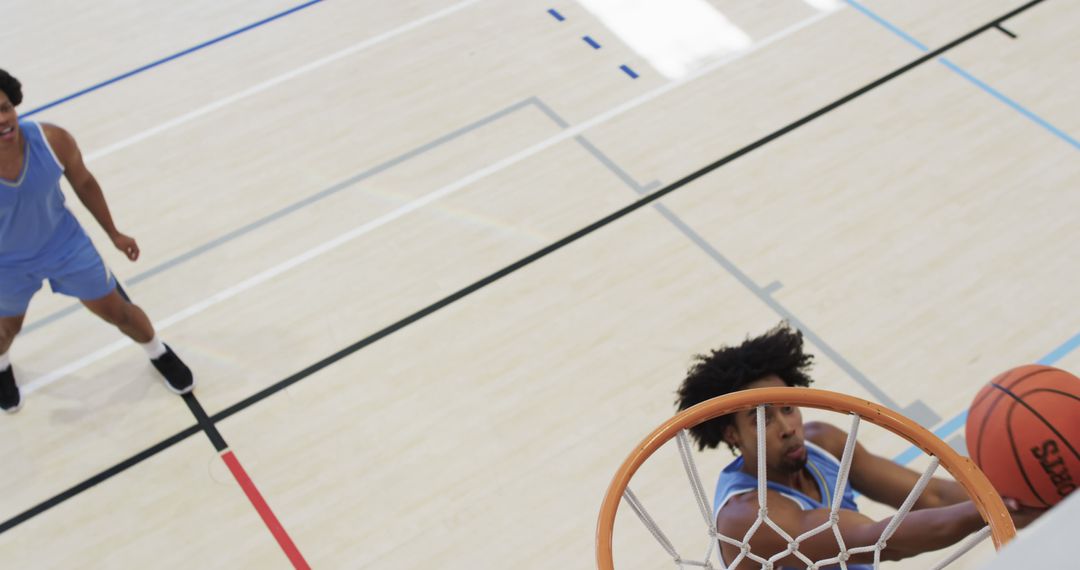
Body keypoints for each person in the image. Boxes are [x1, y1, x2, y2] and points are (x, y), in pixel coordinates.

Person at [675, 323, 1040, 568]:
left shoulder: (824, 443)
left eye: (788, 408)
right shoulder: (747, 518)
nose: (787, 427)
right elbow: (880, 541)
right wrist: (993, 510)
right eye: (763, 418)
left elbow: (931, 497)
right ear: (732, 435)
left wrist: (1015, 492)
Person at [0, 69, 193, 414]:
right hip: (7, 263)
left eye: (4, 108)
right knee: (3, 333)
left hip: (65, 246)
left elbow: (84, 183)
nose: (2, 120)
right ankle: (1, 370)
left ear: (14, 104)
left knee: (121, 313)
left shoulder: (52, 140)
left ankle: (158, 352)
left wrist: (114, 233)